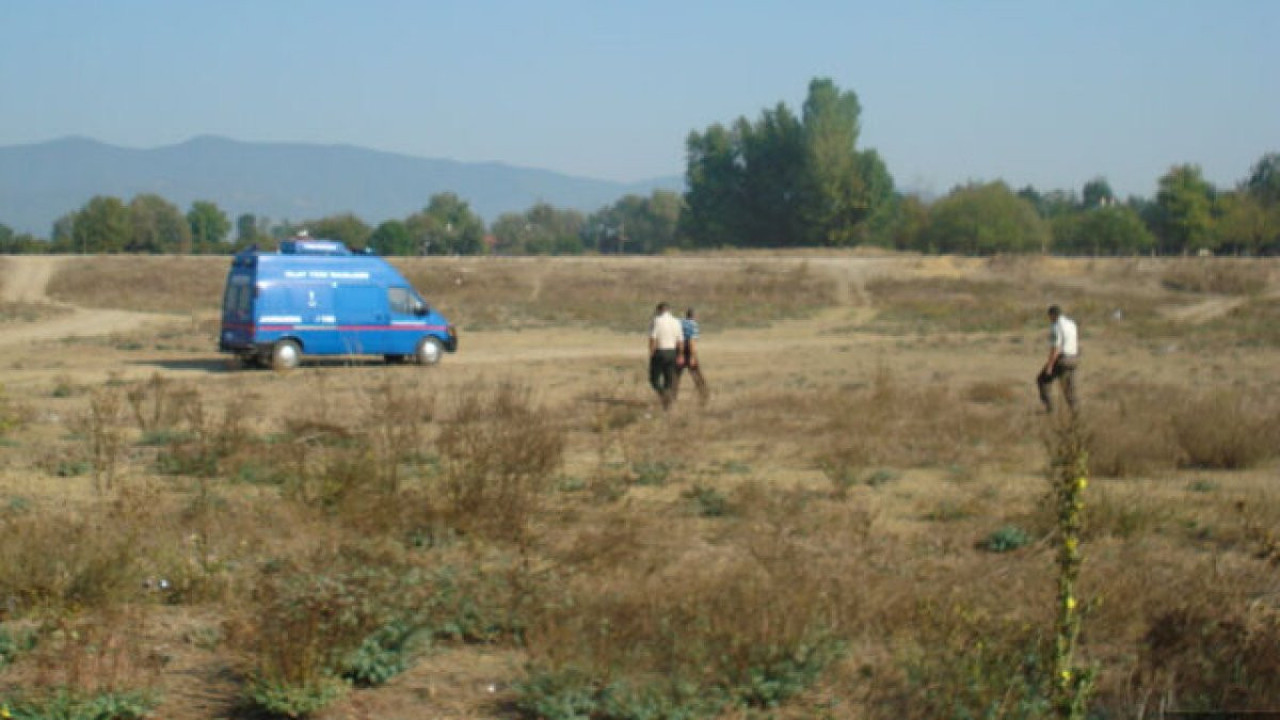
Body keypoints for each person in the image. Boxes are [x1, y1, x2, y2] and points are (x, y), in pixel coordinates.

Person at [1037, 304, 1079, 413]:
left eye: (1049, 317)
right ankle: (1076, 413)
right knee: (1069, 389)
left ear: (1052, 315)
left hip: (1062, 359)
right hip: (1073, 358)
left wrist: (1050, 366)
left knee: (1042, 380)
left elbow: (1056, 348)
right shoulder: (1071, 324)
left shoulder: (1056, 326)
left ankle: (1050, 409)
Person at [648, 302, 683, 409]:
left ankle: (664, 396)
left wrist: (651, 353)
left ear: (659, 310)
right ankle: (667, 401)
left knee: (654, 379)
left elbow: (653, 338)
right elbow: (680, 341)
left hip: (660, 351)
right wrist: (680, 355)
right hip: (672, 352)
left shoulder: (657, 321)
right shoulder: (676, 322)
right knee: (668, 379)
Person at [673, 307, 709, 403]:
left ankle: (671, 397)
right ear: (694, 316)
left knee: (675, 376)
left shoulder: (680, 322)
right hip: (688, 351)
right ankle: (704, 395)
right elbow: (691, 341)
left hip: (678, 350)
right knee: (696, 374)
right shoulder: (693, 325)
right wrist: (692, 356)